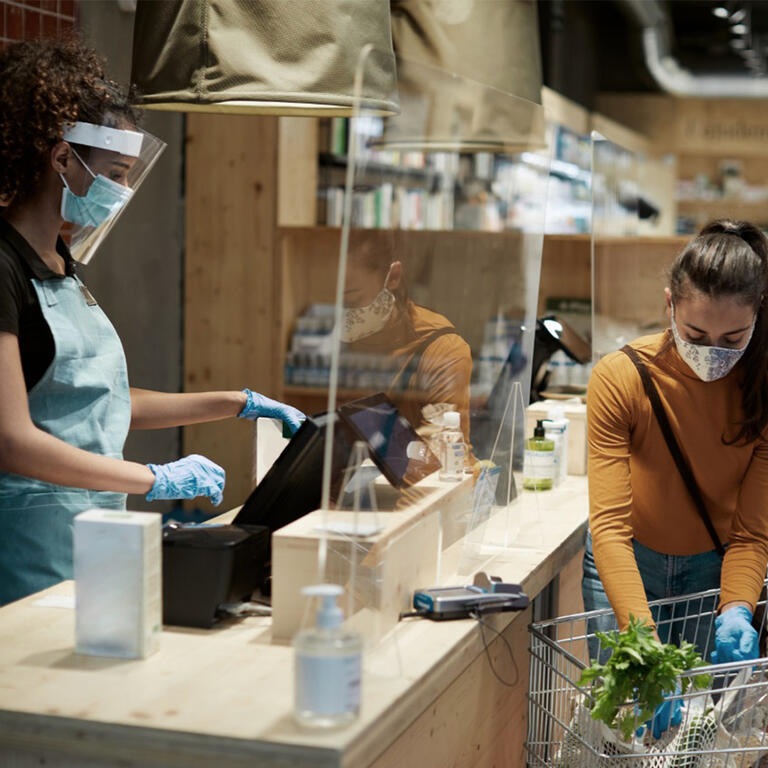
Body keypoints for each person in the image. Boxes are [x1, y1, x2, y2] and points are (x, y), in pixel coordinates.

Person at [0, 36, 304, 606]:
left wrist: (233, 402)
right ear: (62, 159)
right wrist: (155, 479)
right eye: (115, 172)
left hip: (91, 530)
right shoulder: (3, 266)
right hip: (28, 547)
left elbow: (97, 401)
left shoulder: (60, 266)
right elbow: (12, 440)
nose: (120, 192)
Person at [583, 219, 768, 680]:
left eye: (733, 339)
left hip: (716, 573)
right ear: (669, 304)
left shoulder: (761, 391)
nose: (713, 354)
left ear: (758, 314)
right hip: (627, 565)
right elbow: (609, 527)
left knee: (697, 737)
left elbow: (751, 533)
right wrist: (639, 639)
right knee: (623, 730)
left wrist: (737, 608)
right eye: (696, 335)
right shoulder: (622, 376)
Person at [340, 230, 473, 449]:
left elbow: (440, 454)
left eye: (352, 298)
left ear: (393, 277)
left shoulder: (440, 347)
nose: (343, 313)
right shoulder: (338, 343)